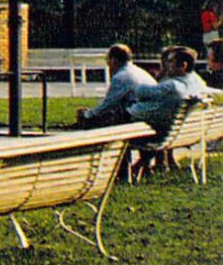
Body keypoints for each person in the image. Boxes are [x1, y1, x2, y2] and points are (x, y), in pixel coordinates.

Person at [126, 46, 213, 176]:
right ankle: (144, 166)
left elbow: (139, 91)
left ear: (183, 65)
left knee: (128, 125)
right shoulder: (196, 81)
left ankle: (125, 173)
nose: (167, 65)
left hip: (164, 133)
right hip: (183, 131)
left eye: (170, 61)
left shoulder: (172, 85)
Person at [75, 43, 156, 128]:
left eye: (108, 60)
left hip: (144, 118)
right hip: (154, 112)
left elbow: (107, 105)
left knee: (106, 116)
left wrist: (87, 114)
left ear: (113, 60)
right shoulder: (139, 72)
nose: (108, 64)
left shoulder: (120, 77)